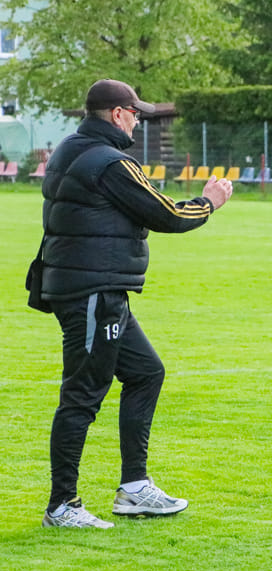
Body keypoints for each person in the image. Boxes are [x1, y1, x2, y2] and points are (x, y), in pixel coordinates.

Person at [37, 79, 233, 528]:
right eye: (135, 112)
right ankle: (62, 505)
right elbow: (164, 213)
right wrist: (208, 202)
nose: (139, 119)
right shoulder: (111, 162)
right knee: (82, 395)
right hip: (93, 293)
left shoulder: (70, 148)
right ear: (117, 114)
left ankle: (134, 488)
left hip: (92, 289)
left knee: (146, 372)